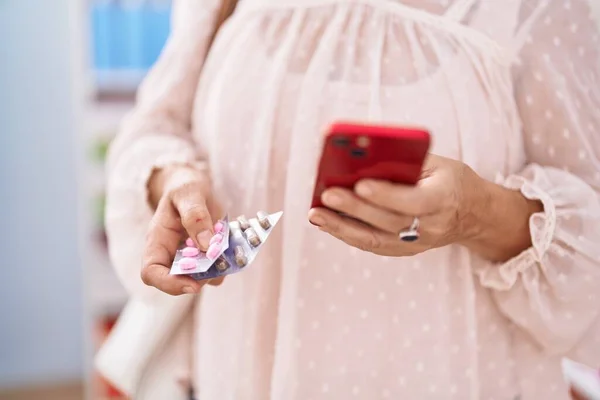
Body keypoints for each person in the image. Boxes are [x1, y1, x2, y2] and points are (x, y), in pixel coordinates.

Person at [96, 0, 600, 399]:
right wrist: (173, 180)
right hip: (237, 375)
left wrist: (475, 212)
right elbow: (152, 129)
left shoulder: (544, 9)